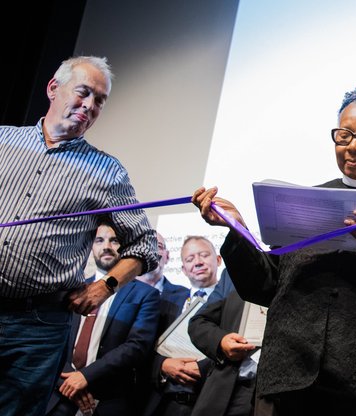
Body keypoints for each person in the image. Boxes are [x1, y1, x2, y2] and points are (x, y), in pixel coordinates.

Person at [192, 83, 356, 414]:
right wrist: (236, 229)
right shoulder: (307, 198)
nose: (352, 146)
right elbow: (265, 285)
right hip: (287, 372)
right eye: (344, 135)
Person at [0, 55, 158, 416]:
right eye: (84, 93)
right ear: (53, 89)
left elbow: (144, 244)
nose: (89, 105)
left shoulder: (106, 172)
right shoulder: (2, 140)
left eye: (99, 101)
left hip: (36, 326)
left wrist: (106, 287)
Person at [46, 219, 160, 416]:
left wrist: (85, 377)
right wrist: (67, 379)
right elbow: (50, 338)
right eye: (99, 240)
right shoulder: (72, 287)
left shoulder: (145, 294)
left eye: (114, 241)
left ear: (125, 247)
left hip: (106, 401)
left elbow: (137, 346)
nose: (106, 246)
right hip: (59, 397)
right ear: (91, 246)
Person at [143, 236, 221, 416]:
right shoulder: (166, 302)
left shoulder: (232, 300)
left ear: (218, 260)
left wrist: (202, 368)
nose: (198, 262)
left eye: (204, 255)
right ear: (183, 270)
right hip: (163, 402)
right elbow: (145, 349)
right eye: (190, 259)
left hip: (208, 401)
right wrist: (163, 364)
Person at [188, 271, 256, 416]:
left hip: (283, 393)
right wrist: (221, 341)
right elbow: (199, 322)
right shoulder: (233, 271)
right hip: (228, 390)